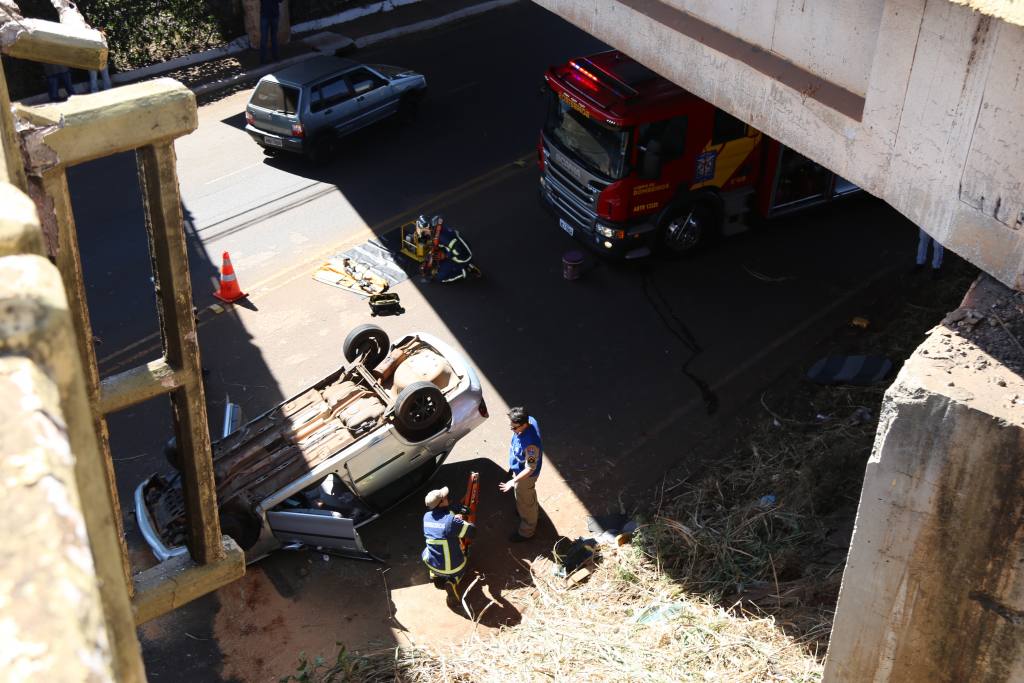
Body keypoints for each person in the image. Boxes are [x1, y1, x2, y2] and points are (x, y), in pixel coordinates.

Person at [499, 406, 542, 542]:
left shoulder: (531, 446)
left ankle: (527, 531)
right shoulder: (528, 420)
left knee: (525, 501)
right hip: (519, 471)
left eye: (514, 428)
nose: (512, 430)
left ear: (524, 424)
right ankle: (528, 510)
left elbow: (530, 468)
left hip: (525, 477)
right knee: (526, 497)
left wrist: (513, 481)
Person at [422, 486, 475, 585]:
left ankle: (435, 574)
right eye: (445, 497)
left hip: (432, 565)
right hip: (452, 569)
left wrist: (454, 514)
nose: (447, 497)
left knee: (427, 549)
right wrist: (460, 521)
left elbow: (442, 521)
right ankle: (454, 580)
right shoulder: (450, 521)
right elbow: (472, 531)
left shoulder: (426, 517)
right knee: (465, 556)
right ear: (441, 503)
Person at [414, 214, 478, 283]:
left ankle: (464, 270)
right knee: (435, 258)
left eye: (423, 232)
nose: (423, 235)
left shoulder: (443, 237)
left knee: (439, 276)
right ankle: (463, 265)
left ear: (428, 229)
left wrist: (445, 255)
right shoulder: (436, 230)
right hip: (454, 249)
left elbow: (460, 251)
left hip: (462, 256)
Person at [260, 0, 282, 64]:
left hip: (273, 14)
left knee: (273, 37)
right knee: (264, 38)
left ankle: (275, 57)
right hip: (266, 15)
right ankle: (264, 60)